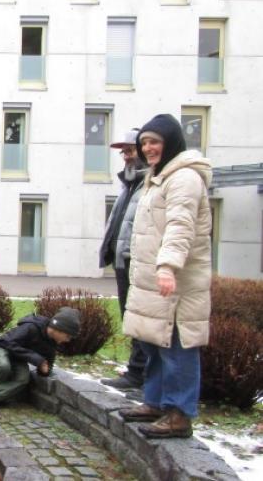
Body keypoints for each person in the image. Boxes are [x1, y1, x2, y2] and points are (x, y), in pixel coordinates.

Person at [118, 114, 212, 439]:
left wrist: (168, 266)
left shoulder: (184, 178)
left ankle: (179, 414)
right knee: (154, 341)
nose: (148, 148)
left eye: (154, 142)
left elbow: (179, 226)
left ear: (171, 142)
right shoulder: (158, 176)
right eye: (144, 142)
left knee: (176, 345)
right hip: (153, 281)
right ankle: (156, 402)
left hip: (175, 282)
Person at [98, 128, 149, 391]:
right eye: (124, 152)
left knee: (141, 318)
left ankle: (142, 374)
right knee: (130, 317)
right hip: (123, 262)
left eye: (130, 150)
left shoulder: (149, 185)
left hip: (138, 263)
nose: (126, 156)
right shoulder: (129, 185)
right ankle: (136, 371)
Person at [0, 307, 81, 411]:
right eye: (68, 336)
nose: (68, 340)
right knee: (4, 367)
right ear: (59, 329)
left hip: (19, 357)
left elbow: (47, 364)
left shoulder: (52, 344)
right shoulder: (31, 327)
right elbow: (8, 343)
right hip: (3, 347)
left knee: (23, 379)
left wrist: (44, 370)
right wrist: (36, 358)